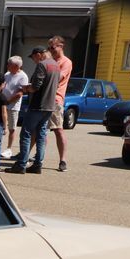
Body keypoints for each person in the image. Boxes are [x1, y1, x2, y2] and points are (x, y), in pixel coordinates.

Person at [6, 46, 59, 175]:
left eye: (34, 57)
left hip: (38, 105)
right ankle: (37, 164)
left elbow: (36, 86)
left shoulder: (42, 64)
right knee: (41, 135)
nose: (34, 60)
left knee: (26, 134)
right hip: (50, 105)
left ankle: (21, 164)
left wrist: (26, 88)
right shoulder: (56, 65)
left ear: (39, 54)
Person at [48, 35, 73, 172]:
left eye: (52, 47)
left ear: (61, 46)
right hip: (44, 98)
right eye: (49, 48)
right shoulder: (50, 61)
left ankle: (62, 160)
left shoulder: (66, 62)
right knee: (39, 130)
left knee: (58, 130)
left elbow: (58, 77)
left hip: (55, 99)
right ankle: (29, 156)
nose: (50, 50)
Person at [0, 56, 29, 158]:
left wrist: (8, 101)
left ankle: (9, 149)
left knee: (12, 128)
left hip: (13, 106)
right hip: (3, 104)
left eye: (9, 64)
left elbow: (20, 93)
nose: (7, 65)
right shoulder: (7, 74)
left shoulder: (23, 76)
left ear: (16, 66)